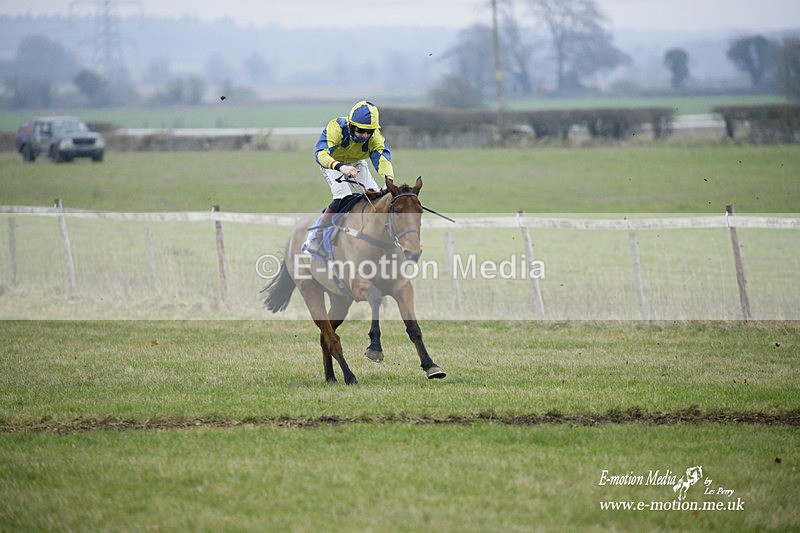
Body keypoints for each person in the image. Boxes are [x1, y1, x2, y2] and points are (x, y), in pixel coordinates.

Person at [303, 100, 394, 256]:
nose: (364, 136)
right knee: (342, 197)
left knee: (375, 197)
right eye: (360, 131)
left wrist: (388, 181)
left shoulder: (375, 137)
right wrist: (340, 167)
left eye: (369, 132)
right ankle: (316, 237)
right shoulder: (336, 128)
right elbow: (320, 154)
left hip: (356, 163)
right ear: (351, 126)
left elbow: (382, 158)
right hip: (332, 163)